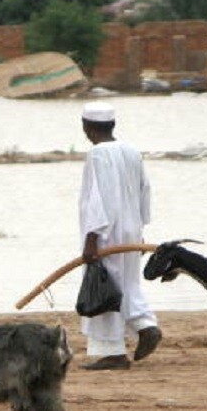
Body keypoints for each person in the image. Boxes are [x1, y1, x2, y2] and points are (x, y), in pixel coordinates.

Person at [77, 101, 162, 370]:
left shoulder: (98, 154)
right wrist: (139, 227)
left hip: (106, 232)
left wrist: (92, 238)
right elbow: (144, 190)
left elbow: (97, 199)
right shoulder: (131, 150)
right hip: (130, 228)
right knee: (126, 282)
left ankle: (113, 351)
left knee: (104, 286)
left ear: (87, 127)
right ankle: (145, 325)